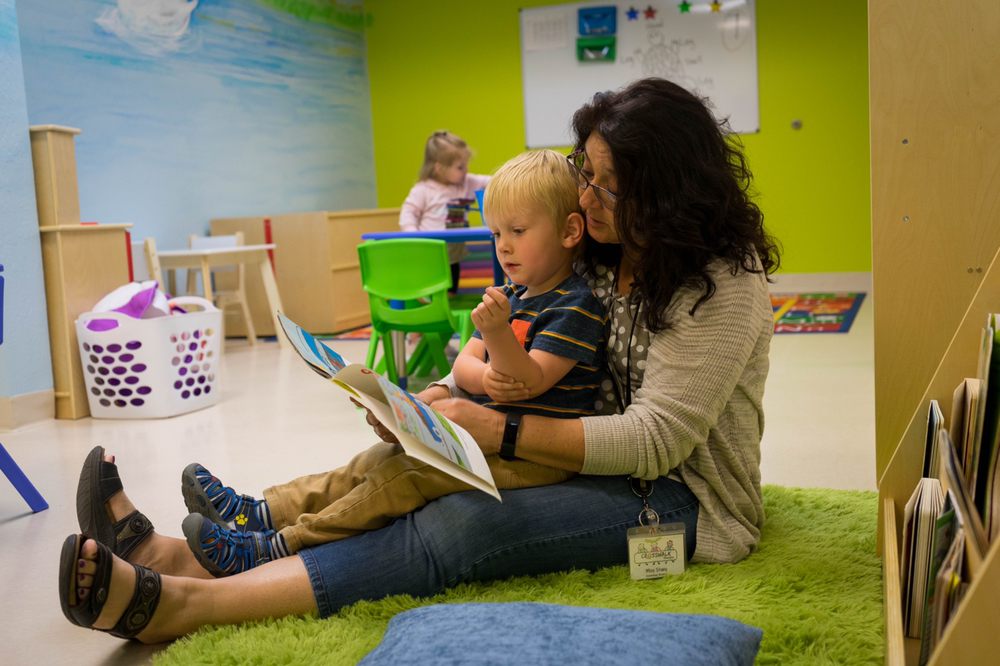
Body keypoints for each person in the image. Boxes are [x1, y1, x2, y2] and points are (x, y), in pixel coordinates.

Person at [58, 77, 780, 644]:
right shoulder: (598, 245)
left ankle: (187, 602)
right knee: (397, 466)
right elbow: (507, 332)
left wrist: (488, 428)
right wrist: (429, 402)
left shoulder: (724, 285)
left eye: (601, 183)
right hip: (581, 452)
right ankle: (193, 552)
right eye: (580, 173)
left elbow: (655, 440)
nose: (583, 195)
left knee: (462, 524)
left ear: (662, 194)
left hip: (678, 495)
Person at [176, 150, 607, 576]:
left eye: (517, 230)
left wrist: (495, 346)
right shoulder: (510, 297)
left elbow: (528, 380)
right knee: (375, 458)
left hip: (534, 459)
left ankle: (278, 545)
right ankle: (262, 511)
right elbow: (465, 370)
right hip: (486, 443)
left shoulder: (575, 305)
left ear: (570, 232)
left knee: (403, 477)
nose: (504, 246)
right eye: (496, 234)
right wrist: (468, 386)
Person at [400, 130, 491, 293]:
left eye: (466, 165)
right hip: (429, 254)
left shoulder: (466, 182)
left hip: (453, 254)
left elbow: (491, 181)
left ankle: (449, 305)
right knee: (430, 290)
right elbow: (408, 212)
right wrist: (412, 233)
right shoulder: (424, 189)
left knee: (450, 291)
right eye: (460, 167)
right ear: (439, 168)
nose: (466, 170)